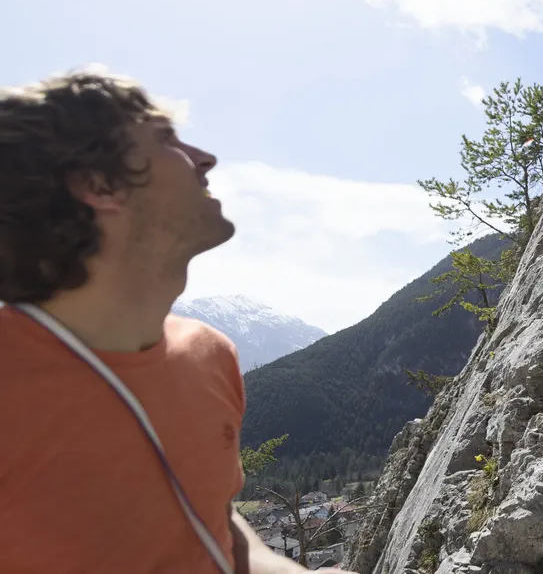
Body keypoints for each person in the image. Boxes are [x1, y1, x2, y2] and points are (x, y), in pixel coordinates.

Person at [0, 71, 343, 573]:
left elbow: (215, 528)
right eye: (166, 139)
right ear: (99, 185)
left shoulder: (208, 354)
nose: (205, 158)